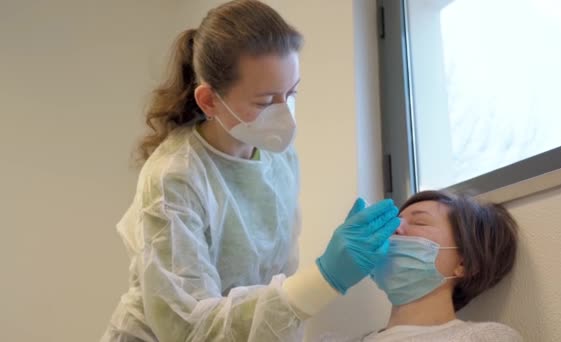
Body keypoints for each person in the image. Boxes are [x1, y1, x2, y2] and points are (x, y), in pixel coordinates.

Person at [100, 1, 400, 341]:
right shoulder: (174, 178)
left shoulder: (278, 159)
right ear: (209, 101)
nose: (284, 115)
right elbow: (188, 328)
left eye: (290, 93)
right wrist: (324, 277)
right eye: (264, 101)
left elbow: (270, 291)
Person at [322, 190, 522, 342]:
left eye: (419, 222)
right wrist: (324, 277)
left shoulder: (486, 338)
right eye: (394, 221)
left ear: (464, 262)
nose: (394, 229)